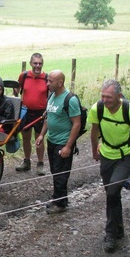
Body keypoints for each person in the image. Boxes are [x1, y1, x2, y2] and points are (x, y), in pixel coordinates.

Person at [88, 80, 130, 252]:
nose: (105, 100)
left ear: (119, 96)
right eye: (102, 96)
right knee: (112, 193)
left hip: (127, 155)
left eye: (108, 97)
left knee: (112, 190)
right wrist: (95, 151)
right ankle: (119, 229)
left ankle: (110, 234)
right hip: (107, 154)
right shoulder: (98, 109)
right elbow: (94, 130)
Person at [35, 70, 81, 214]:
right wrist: (42, 134)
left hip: (63, 142)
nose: (47, 84)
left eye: (50, 81)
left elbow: (77, 124)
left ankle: (60, 204)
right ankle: (59, 198)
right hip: (52, 141)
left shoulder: (70, 100)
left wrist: (68, 146)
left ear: (60, 83)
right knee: (55, 171)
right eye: (47, 80)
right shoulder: (52, 97)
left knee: (61, 173)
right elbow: (48, 118)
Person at [14, 53, 48, 176]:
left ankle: (40, 164)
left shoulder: (46, 78)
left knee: (39, 139)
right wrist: (15, 91)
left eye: (40, 63)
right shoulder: (24, 76)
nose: (37, 66)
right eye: (35, 63)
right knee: (26, 138)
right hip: (26, 112)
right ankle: (27, 162)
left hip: (41, 113)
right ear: (30, 63)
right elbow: (17, 90)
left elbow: (51, 95)